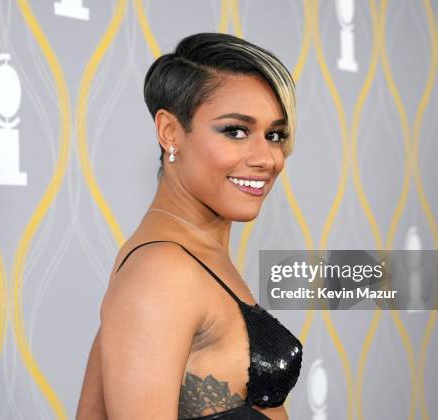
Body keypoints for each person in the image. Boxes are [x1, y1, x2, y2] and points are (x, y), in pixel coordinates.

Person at [77, 32, 303, 420]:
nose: (267, 158)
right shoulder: (164, 271)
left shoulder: (189, 255)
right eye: (235, 131)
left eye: (274, 135)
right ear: (169, 131)